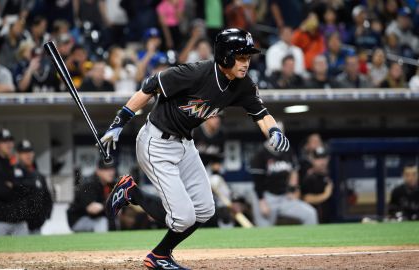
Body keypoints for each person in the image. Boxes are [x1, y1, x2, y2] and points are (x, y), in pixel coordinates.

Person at [100, 28, 290, 269]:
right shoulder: (196, 72)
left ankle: (160, 256)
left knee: (205, 209)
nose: (246, 63)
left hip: (185, 144)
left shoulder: (242, 84)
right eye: (241, 57)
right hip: (156, 143)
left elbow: (261, 114)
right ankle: (131, 193)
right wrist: (119, 122)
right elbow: (149, 86)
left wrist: (273, 131)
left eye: (248, 58)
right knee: (183, 218)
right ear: (225, 56)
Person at [249, 124, 318, 227]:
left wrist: (292, 190)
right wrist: (261, 202)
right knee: (264, 232)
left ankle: (310, 242)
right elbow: (257, 181)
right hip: (266, 197)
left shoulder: (287, 150)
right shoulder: (260, 154)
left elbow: (294, 171)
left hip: (284, 197)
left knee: (310, 214)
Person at [0, 129, 29, 236]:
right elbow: (1, 192)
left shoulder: (17, 165)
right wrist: (16, 186)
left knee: (26, 251)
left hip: (19, 221)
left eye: (10, 141)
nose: (8, 144)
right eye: (4, 141)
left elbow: (27, 190)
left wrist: (12, 185)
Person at [67, 158, 116, 232]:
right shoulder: (89, 184)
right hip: (79, 219)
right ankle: (101, 243)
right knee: (102, 221)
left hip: (94, 218)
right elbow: (93, 209)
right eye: (106, 170)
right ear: (98, 171)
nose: (111, 173)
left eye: (112, 169)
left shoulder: (110, 184)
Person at [15, 140, 53, 234]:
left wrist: (45, 216)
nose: (28, 155)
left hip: (36, 225)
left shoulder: (38, 176)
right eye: (24, 152)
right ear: (18, 154)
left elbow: (47, 198)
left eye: (29, 152)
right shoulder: (13, 174)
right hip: (18, 225)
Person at [300, 146, 333, 223]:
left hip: (331, 220)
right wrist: (326, 195)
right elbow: (306, 198)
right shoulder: (309, 177)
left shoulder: (332, 173)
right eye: (318, 159)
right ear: (312, 160)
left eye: (323, 158)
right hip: (314, 221)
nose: (322, 162)